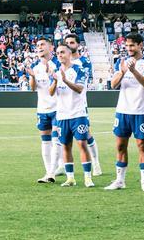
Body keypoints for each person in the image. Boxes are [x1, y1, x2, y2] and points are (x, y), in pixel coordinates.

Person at [104, 33, 144, 191]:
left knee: (142, 145)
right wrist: (122, 71)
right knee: (120, 146)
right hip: (122, 110)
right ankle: (120, 180)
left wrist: (133, 71)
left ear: (141, 45)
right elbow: (113, 85)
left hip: (140, 111)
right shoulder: (121, 62)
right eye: (126, 46)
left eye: (132, 45)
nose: (129, 48)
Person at [49, 43, 95, 188]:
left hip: (78, 113)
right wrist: (56, 80)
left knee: (82, 143)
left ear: (69, 54)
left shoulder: (79, 69)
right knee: (65, 146)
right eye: (57, 53)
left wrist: (66, 80)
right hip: (62, 115)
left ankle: (88, 177)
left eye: (62, 52)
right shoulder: (56, 72)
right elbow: (51, 93)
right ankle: (70, 178)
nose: (60, 55)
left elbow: (79, 89)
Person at [64, 34, 101, 176]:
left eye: (72, 42)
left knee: (86, 135)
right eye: (66, 43)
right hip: (63, 105)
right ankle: (62, 165)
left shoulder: (84, 62)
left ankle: (96, 163)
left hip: (79, 104)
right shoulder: (61, 61)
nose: (69, 45)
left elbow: (81, 84)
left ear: (78, 45)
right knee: (61, 137)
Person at [25, 38, 58, 183]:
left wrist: (52, 75)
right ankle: (48, 172)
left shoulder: (57, 64)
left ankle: (52, 173)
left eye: (42, 44)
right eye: (37, 45)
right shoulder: (35, 66)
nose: (39, 47)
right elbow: (33, 88)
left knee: (56, 140)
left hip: (58, 108)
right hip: (42, 109)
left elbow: (54, 89)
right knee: (45, 141)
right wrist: (32, 77)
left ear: (51, 48)